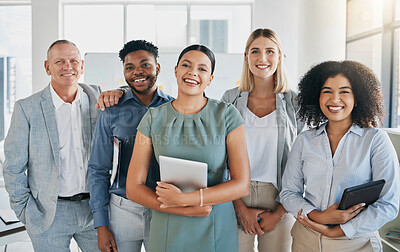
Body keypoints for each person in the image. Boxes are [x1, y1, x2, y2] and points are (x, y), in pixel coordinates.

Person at [126, 44, 250, 251]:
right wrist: (182, 208)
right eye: (186, 65)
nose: (193, 72)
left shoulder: (227, 116)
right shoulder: (152, 118)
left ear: (210, 79)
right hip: (167, 226)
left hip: (215, 224)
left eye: (202, 69)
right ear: (176, 70)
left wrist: (188, 199)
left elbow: (241, 184)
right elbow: (134, 188)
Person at [280, 60, 400, 252]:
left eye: (344, 92)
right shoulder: (305, 140)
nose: (334, 99)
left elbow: (389, 204)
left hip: (357, 243)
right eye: (327, 91)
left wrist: (340, 230)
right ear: (317, 96)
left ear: (357, 97)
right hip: (306, 239)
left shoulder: (376, 140)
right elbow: (288, 192)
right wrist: (320, 217)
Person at [3, 40, 104, 251]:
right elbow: (13, 168)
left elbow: (131, 92)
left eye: (73, 61)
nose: (68, 66)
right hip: (49, 214)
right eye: (60, 61)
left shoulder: (98, 98)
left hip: (95, 211)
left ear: (82, 66)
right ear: (47, 67)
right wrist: (28, 213)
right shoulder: (26, 108)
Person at [88, 39, 173, 252]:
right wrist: (101, 225)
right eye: (130, 67)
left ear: (158, 68)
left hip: (163, 207)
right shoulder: (111, 110)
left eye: (145, 64)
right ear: (124, 72)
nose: (138, 72)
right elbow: (98, 169)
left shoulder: (174, 108)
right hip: (122, 210)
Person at [221, 28, 301, 252]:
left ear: (279, 56)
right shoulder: (230, 99)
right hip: (236, 194)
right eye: (255, 51)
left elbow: (304, 161)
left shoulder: (295, 103)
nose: (262, 58)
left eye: (270, 51)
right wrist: (239, 207)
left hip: (280, 197)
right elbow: (219, 157)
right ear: (246, 57)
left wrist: (279, 213)